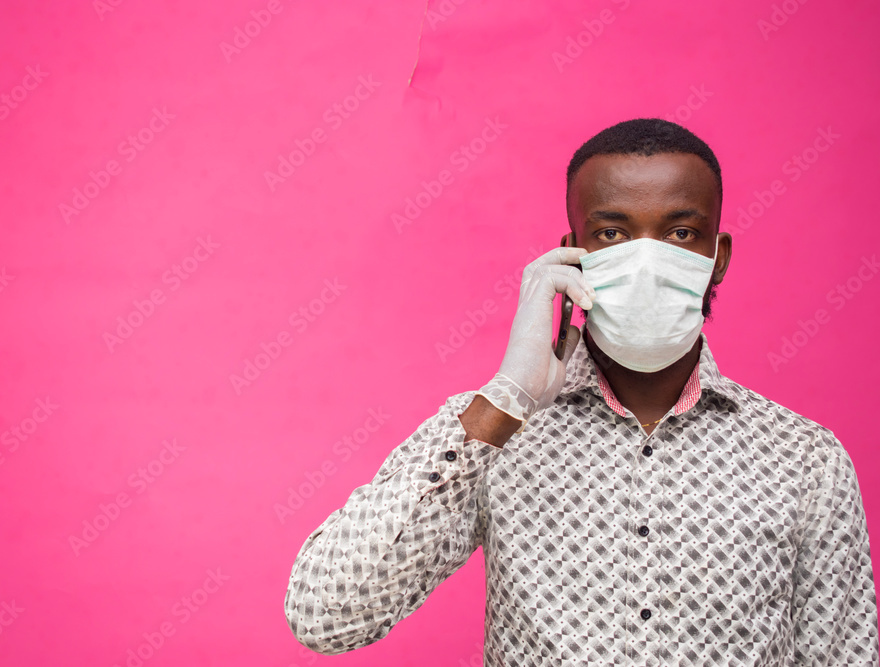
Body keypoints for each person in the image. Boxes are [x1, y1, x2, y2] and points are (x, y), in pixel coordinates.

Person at [283, 118, 879, 664]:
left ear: (716, 258)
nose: (646, 259)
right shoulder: (494, 433)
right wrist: (507, 397)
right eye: (612, 232)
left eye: (680, 232)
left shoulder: (804, 461)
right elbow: (326, 616)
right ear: (572, 253)